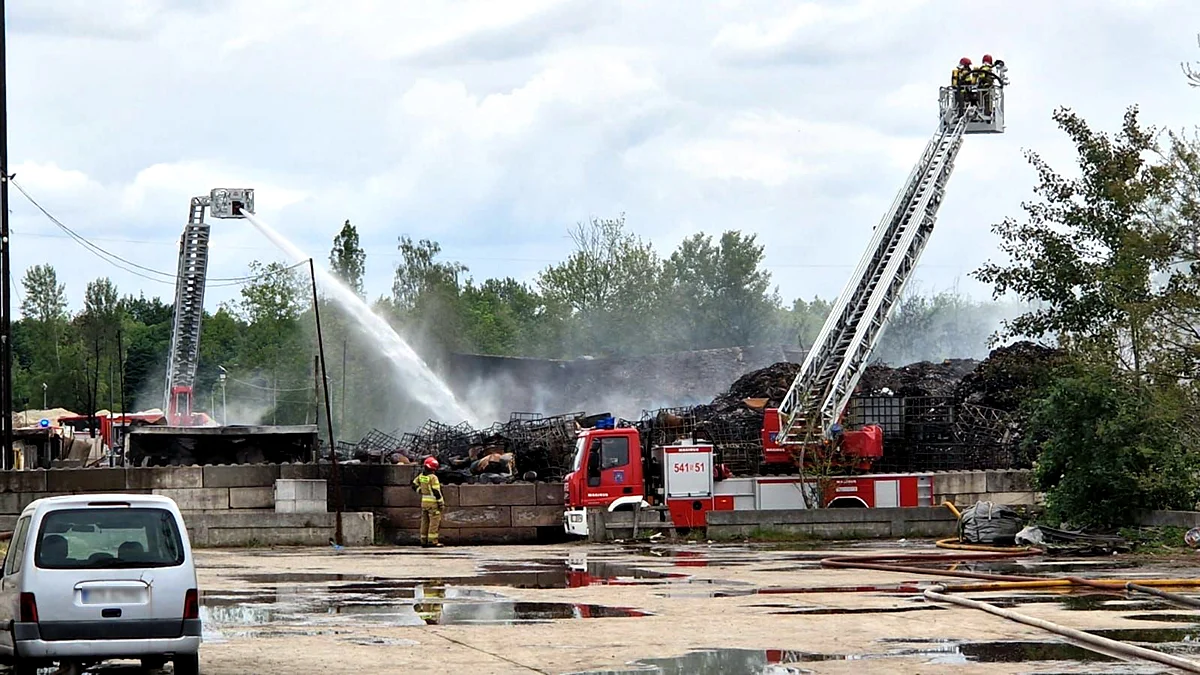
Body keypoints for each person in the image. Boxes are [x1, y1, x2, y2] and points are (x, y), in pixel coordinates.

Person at [412, 456, 445, 547]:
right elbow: (436, 491)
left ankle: (423, 540)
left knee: (425, 522)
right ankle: (432, 541)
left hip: (424, 503)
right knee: (434, 523)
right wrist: (440, 502)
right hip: (433, 504)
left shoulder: (421, 476)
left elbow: (414, 484)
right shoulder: (433, 478)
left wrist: (420, 491)